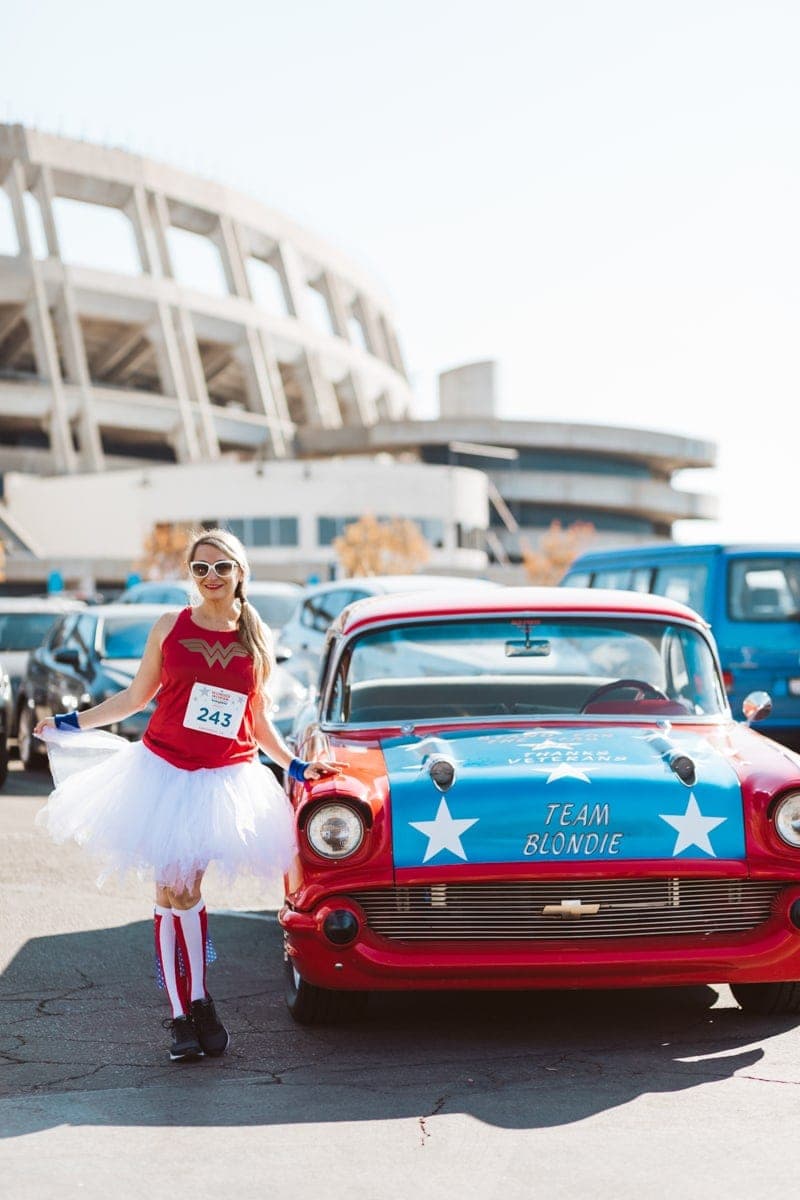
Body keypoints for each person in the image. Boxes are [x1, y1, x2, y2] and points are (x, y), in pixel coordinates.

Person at [35, 528, 338, 1063]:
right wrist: (70, 722)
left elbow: (258, 718)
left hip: (221, 778)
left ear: (240, 571)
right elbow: (135, 696)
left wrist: (291, 763)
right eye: (200, 569)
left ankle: (198, 1003)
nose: (211, 578)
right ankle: (183, 1013)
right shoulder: (169, 626)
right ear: (191, 576)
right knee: (167, 889)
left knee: (182, 887)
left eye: (221, 567)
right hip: (163, 772)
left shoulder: (254, 633)